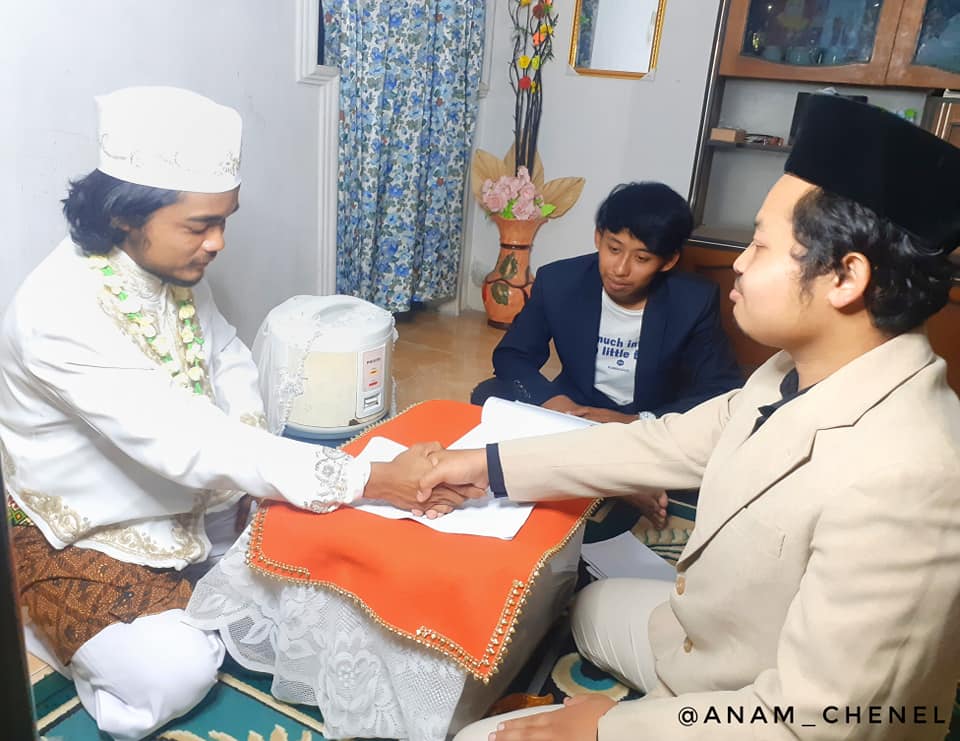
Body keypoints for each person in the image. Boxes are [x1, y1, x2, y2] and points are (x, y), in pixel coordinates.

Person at [422, 94, 960, 740]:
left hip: (766, 708)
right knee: (584, 605)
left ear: (845, 277)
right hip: (720, 642)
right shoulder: (787, 373)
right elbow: (657, 444)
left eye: (761, 244)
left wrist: (609, 727)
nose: (739, 262)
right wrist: (482, 465)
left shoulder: (915, 475)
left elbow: (822, 722)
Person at [0, 86, 462, 741]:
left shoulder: (168, 267)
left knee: (328, 573)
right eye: (199, 225)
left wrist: (254, 460)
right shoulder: (58, 312)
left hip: (196, 507)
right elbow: (184, 437)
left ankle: (190, 602)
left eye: (225, 220)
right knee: (179, 671)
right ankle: (44, 620)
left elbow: (227, 359)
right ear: (125, 215)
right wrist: (369, 477)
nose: (217, 242)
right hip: (85, 534)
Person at [471, 181, 742, 526]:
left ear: (668, 260)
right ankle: (620, 481)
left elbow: (720, 391)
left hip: (646, 424)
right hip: (575, 412)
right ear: (598, 237)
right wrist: (556, 403)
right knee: (490, 394)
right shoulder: (559, 280)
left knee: (728, 448)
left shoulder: (693, 300)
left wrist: (637, 422)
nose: (620, 269)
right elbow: (512, 356)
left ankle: (598, 469)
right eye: (614, 249)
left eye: (641, 258)